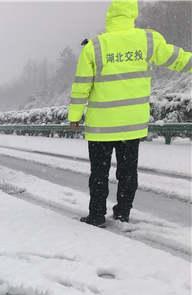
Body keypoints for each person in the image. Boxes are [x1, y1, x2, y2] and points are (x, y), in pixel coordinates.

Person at [67, 0, 191, 227]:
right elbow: (177, 58)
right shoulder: (147, 40)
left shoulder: (95, 46)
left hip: (101, 127)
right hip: (131, 125)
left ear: (110, 17)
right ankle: (123, 212)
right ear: (133, 14)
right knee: (127, 173)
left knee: (99, 174)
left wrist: (74, 116)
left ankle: (96, 215)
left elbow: (81, 85)